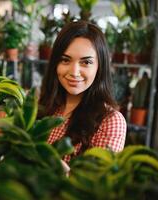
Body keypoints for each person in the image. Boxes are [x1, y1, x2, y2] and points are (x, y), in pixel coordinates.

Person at [38, 21, 127, 162]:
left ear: (100, 67)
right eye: (65, 60)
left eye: (86, 62)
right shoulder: (42, 106)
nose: (74, 72)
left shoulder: (110, 121)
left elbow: (97, 181)